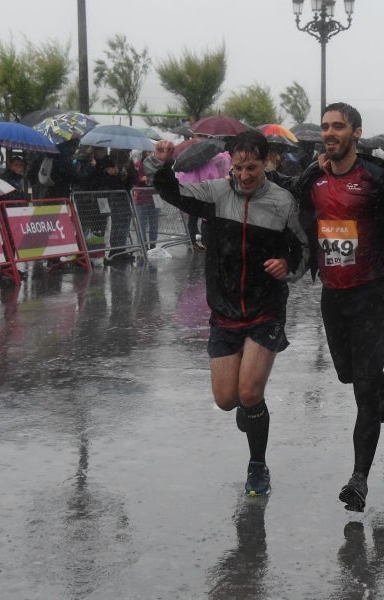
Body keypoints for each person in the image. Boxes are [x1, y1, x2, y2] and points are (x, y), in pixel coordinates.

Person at [145, 130, 309, 496]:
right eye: (238, 168)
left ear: (266, 162)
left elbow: (302, 249)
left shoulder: (283, 202)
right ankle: (249, 410)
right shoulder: (216, 194)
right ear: (230, 165)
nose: (245, 175)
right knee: (226, 399)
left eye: (252, 167)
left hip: (266, 309)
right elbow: (171, 191)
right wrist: (160, 162)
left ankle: (257, 466)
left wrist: (287, 264)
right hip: (224, 311)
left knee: (250, 392)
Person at [270, 102, 384, 512]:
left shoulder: (378, 177)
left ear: (356, 132)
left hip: (373, 295)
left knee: (362, 393)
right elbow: (285, 194)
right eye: (326, 127)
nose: (329, 133)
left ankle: (358, 479)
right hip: (333, 294)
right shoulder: (313, 177)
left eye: (338, 127)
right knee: (349, 376)